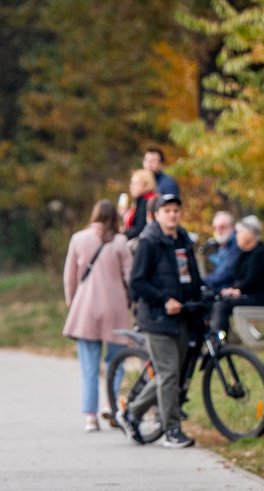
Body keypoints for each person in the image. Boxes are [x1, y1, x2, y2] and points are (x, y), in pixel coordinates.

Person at [117, 193, 203, 449]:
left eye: (176, 210)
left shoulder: (183, 239)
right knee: (167, 373)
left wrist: (201, 302)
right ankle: (172, 430)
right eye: (167, 210)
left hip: (183, 317)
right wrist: (164, 300)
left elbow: (193, 276)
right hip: (157, 319)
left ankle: (131, 413)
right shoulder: (149, 242)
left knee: (169, 375)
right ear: (156, 215)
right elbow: (138, 283)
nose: (173, 214)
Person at [63, 200, 133, 432]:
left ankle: (90, 417)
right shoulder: (120, 242)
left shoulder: (78, 239)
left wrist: (72, 301)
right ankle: (110, 404)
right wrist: (132, 301)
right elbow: (130, 276)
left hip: (86, 307)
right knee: (116, 361)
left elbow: (70, 277)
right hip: (114, 307)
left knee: (88, 366)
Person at [210, 215, 264, 335]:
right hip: (252, 296)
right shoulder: (244, 254)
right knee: (215, 299)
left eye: (239, 232)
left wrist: (238, 290)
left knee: (223, 305)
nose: (236, 236)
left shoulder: (261, 253)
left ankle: (218, 340)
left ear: (250, 234)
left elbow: (253, 280)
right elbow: (235, 275)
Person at [203, 211, 240, 291]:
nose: (219, 231)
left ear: (232, 227)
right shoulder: (221, 245)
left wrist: (201, 281)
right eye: (215, 228)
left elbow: (224, 274)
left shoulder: (237, 244)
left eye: (222, 227)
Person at [121, 169, 157, 242]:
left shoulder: (145, 201)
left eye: (137, 183)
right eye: (132, 183)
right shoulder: (142, 200)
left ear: (147, 184)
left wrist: (122, 234)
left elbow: (139, 228)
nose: (133, 186)